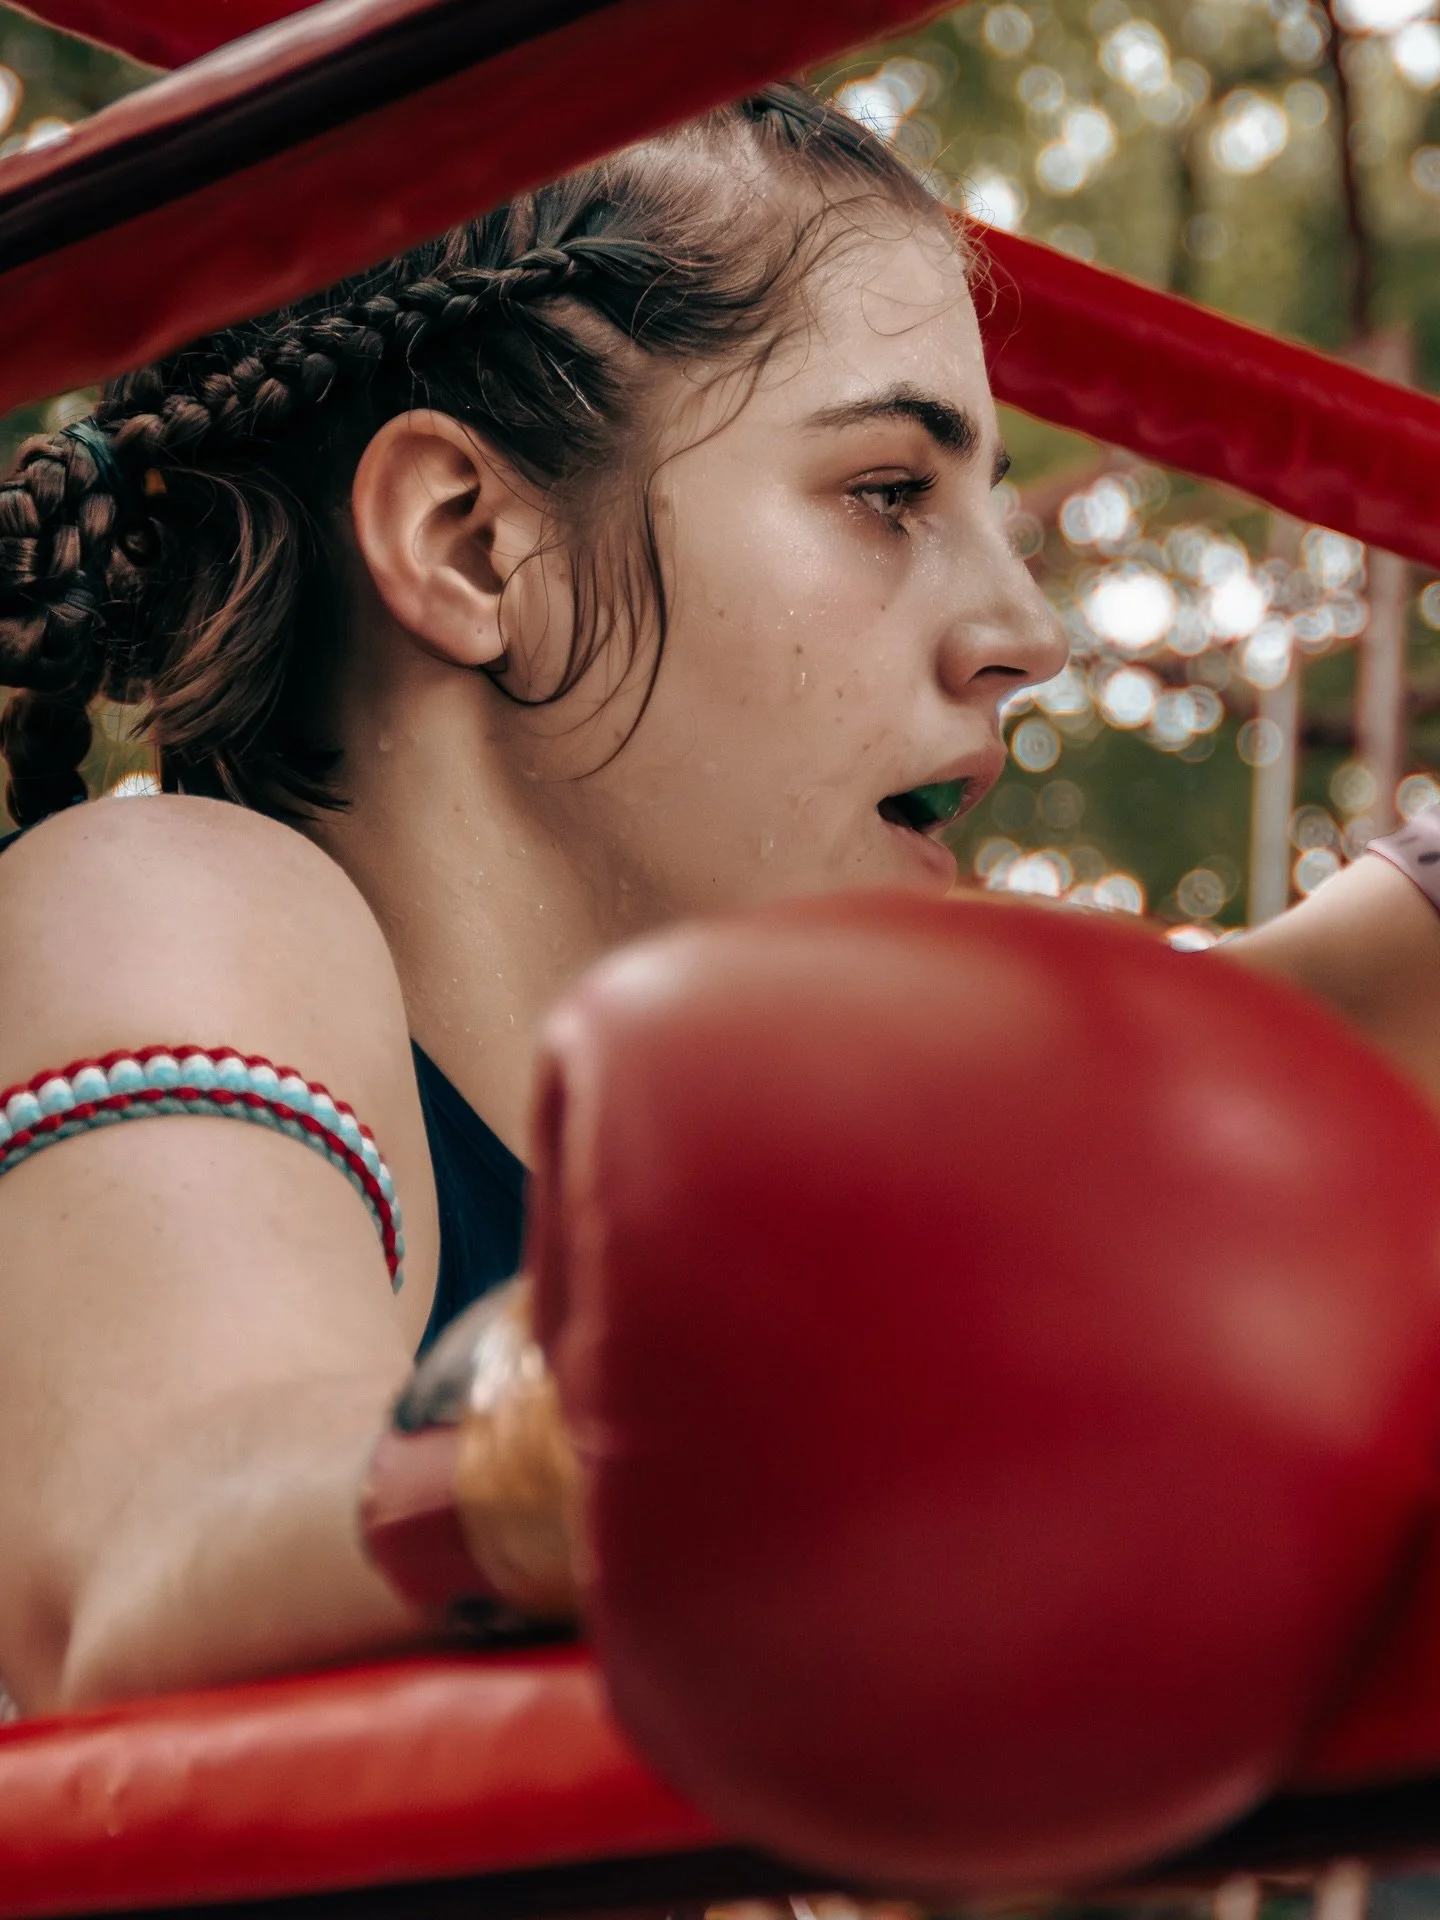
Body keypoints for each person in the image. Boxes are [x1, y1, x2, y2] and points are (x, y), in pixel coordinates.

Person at [0, 79, 1433, 1720]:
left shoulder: (728, 1168)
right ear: (476, 545)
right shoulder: (170, 887)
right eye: (889, 490)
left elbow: (1307, 1027)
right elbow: (135, 1547)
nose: (1028, 630)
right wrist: (663, 1415)